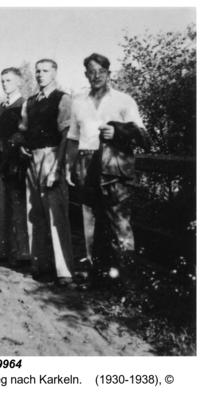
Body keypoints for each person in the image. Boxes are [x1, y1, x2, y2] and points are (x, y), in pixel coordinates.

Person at [66, 53, 150, 288]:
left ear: (108, 74)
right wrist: (67, 167)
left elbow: (144, 138)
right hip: (85, 165)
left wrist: (119, 133)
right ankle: (99, 279)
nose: (96, 76)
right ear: (86, 75)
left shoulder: (123, 101)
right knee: (93, 226)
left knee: (119, 224)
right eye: (91, 71)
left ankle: (127, 286)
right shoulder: (78, 102)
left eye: (101, 71)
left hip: (113, 167)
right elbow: (73, 138)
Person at [17, 59, 75, 286]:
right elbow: (23, 129)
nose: (40, 75)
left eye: (45, 71)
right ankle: (41, 266)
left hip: (53, 156)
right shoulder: (30, 102)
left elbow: (66, 135)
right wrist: (21, 142)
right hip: (33, 158)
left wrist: (58, 167)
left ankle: (64, 272)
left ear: (55, 73)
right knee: (35, 213)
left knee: (56, 213)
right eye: (37, 71)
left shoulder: (63, 98)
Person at [0, 68, 30, 264]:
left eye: (9, 80)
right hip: (1, 158)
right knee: (0, 203)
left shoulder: (25, 104)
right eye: (3, 80)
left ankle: (22, 254)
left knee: (19, 205)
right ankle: (0, 251)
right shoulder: (0, 106)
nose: (5, 84)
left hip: (18, 159)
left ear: (19, 82)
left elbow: (26, 132)